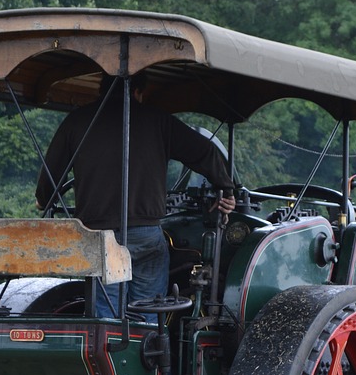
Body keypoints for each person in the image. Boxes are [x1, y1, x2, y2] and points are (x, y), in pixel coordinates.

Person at [36, 73, 236, 321]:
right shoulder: (158, 120)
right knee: (148, 312)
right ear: (138, 92)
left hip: (98, 236)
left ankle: (107, 356)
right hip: (146, 234)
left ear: (102, 90)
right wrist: (226, 190)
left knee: (106, 317)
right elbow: (205, 151)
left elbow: (51, 171)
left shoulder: (77, 121)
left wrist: (44, 199)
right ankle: (146, 351)